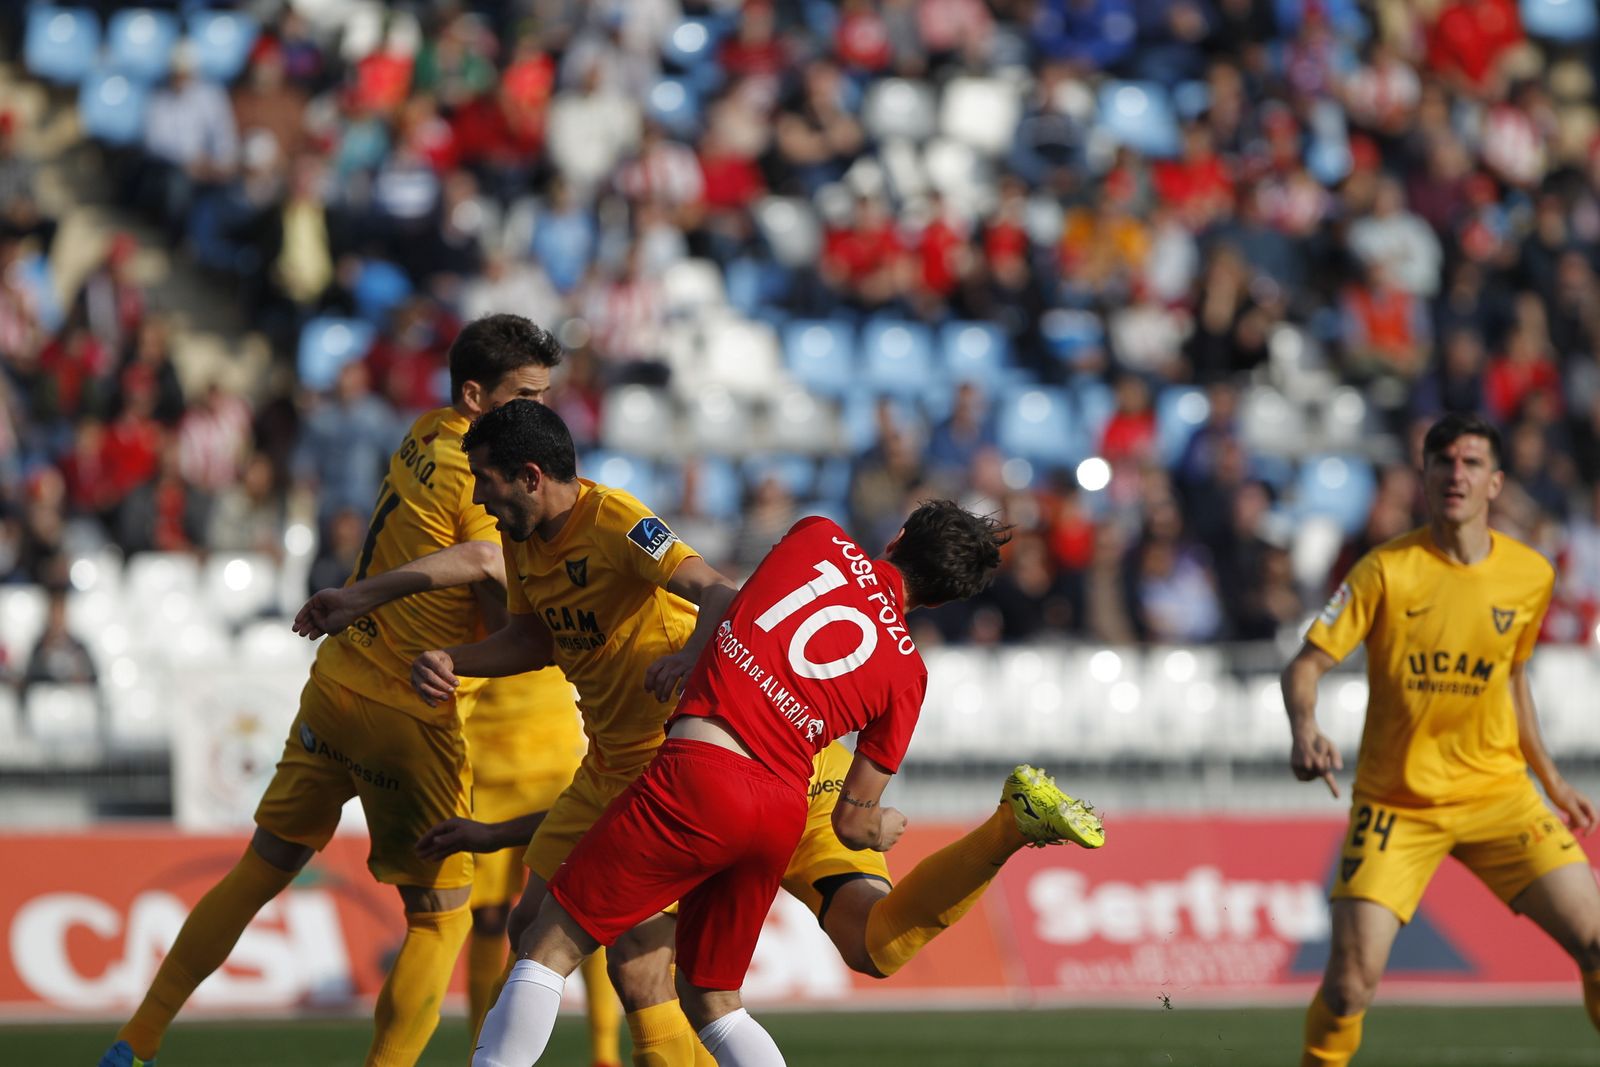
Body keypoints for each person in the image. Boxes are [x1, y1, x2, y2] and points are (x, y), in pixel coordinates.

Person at [471, 500, 1104, 1067]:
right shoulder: (910, 675)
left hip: (702, 771)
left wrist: (698, 657)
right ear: (940, 602)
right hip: (785, 804)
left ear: (899, 534)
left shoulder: (817, 535)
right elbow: (856, 822)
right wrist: (883, 825)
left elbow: (731, 600)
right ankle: (1003, 831)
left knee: (551, 945)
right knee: (727, 999)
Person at [100, 314, 563, 1067]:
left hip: (338, 682)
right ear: (476, 395)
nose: (540, 411)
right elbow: (489, 574)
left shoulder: (424, 431)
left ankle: (135, 1040)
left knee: (261, 864)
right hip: (408, 712)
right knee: (439, 918)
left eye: (546, 394)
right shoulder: (486, 473)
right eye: (527, 394)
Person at [298, 398, 741, 1066]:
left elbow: (718, 590)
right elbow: (532, 640)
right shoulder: (520, 536)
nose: (478, 493)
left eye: (486, 478)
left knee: (634, 960)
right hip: (606, 762)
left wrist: (685, 659)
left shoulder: (617, 519)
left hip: (664, 757)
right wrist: (456, 658)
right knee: (531, 929)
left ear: (531, 475)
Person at [1283, 411, 1600, 1067]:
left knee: (1598, 941)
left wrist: (1550, 777)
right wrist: (1305, 728)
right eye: (1442, 462)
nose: (1456, 474)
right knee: (1348, 985)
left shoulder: (1530, 575)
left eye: (1472, 462)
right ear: (1424, 478)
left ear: (1495, 482)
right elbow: (1305, 664)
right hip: (1397, 804)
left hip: (1499, 794)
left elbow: (1512, 680)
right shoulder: (1385, 571)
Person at [417, 739, 1101, 1041]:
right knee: (877, 944)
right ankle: (1010, 825)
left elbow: (621, 800)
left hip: (731, 788)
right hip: (816, 774)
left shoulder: (651, 674)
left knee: (639, 966)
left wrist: (498, 833)